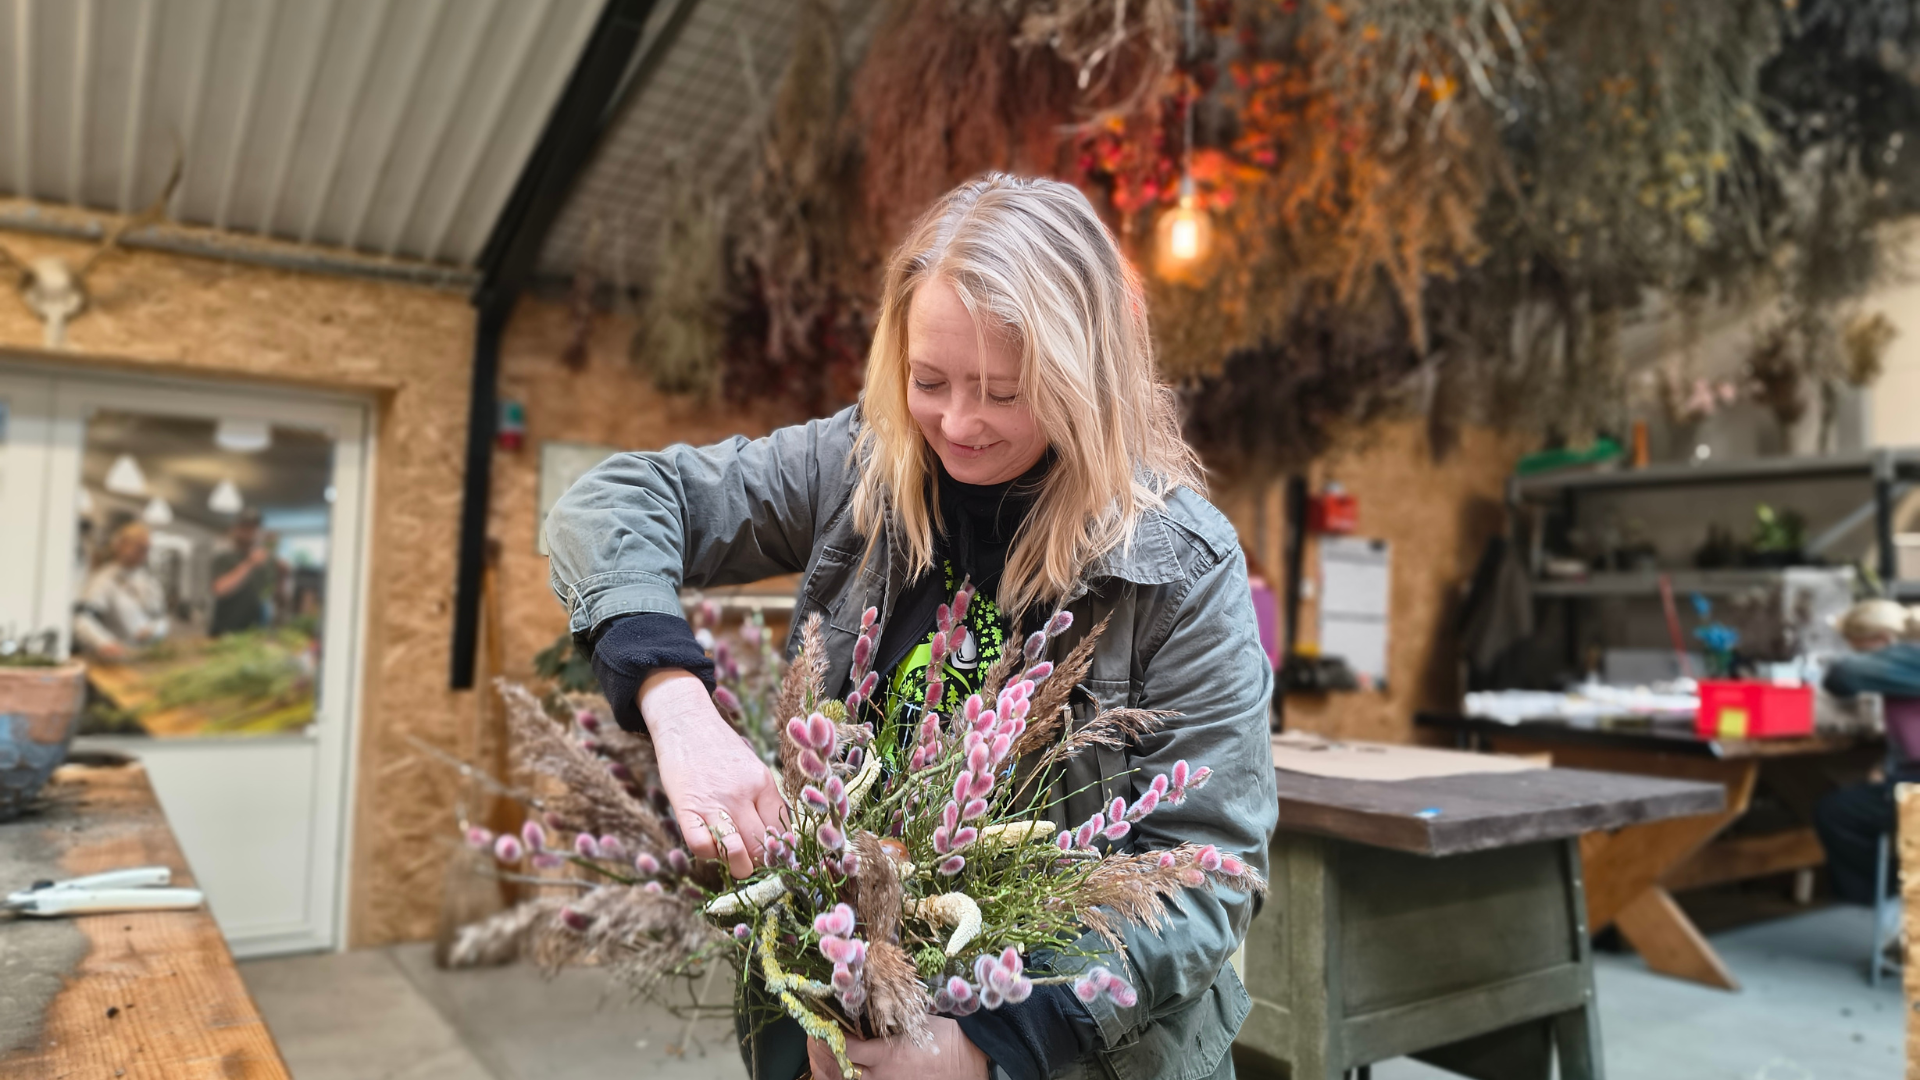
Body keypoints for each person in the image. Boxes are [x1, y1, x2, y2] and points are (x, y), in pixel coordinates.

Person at [547, 174, 1276, 1080]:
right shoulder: (861, 465)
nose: (960, 424)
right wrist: (676, 703)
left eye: (1005, 392)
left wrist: (985, 1047)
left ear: (1088, 381)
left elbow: (1203, 878)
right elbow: (609, 502)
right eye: (928, 380)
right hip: (837, 1022)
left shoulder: (1180, 563)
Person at [1812, 599, 1920, 905]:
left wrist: (1883, 660)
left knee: (1835, 811)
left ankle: (1892, 894)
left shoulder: (1909, 656)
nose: (1853, 650)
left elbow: (1842, 677)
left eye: (1856, 644)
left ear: (1883, 638)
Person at [73, 521, 170, 660]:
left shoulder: (149, 581)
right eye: (138, 547)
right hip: (113, 659)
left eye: (146, 548)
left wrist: (154, 631)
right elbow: (82, 619)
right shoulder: (103, 580)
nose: (143, 553)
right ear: (120, 546)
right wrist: (103, 642)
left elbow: (161, 618)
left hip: (145, 656)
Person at [209, 508, 278, 636]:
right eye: (245, 527)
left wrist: (284, 576)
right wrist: (249, 563)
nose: (250, 532)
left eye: (254, 528)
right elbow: (219, 589)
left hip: (256, 633)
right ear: (235, 529)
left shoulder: (266, 561)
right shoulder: (223, 558)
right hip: (225, 632)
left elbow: (270, 594)